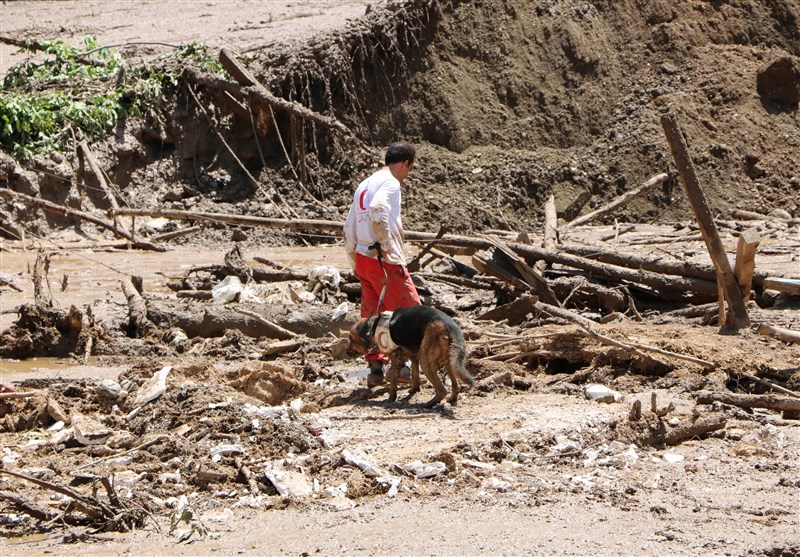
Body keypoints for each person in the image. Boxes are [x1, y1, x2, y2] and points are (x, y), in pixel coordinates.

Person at [343, 142, 421, 387]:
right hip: (383, 259)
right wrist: (387, 247)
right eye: (410, 168)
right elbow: (378, 210)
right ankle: (405, 368)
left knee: (373, 315)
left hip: (364, 258)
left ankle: (375, 371)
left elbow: (348, 227)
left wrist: (354, 260)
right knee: (411, 313)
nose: (408, 174)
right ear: (406, 163)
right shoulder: (391, 183)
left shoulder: (364, 184)